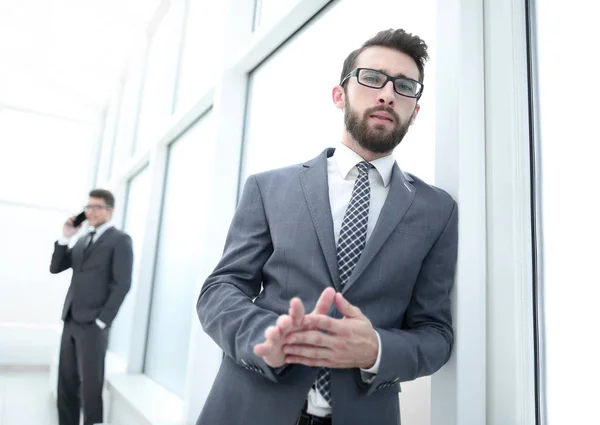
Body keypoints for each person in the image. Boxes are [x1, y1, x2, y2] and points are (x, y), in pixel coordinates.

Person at [196, 28, 458, 425]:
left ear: (414, 111)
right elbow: (220, 290)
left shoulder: (437, 210)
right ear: (340, 95)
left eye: (404, 86)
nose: (387, 94)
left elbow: (435, 333)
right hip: (249, 405)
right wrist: (266, 337)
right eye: (371, 78)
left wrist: (377, 351)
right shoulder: (269, 188)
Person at [50, 189, 133, 425]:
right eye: (88, 207)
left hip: (93, 325)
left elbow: (122, 284)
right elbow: (56, 267)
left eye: (97, 207)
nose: (91, 212)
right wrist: (66, 237)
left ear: (110, 210)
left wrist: (102, 321)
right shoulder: (82, 239)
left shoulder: (120, 240)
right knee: (65, 383)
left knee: (91, 387)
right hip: (71, 320)